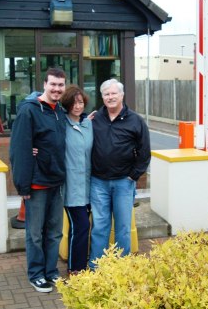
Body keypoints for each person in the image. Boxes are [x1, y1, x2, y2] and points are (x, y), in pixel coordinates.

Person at [9, 68, 67, 293]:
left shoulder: (59, 111)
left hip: (57, 183)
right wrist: (22, 185)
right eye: (53, 84)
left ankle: (51, 271)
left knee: (54, 232)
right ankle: (36, 274)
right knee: (34, 234)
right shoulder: (29, 111)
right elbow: (19, 149)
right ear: (44, 84)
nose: (56, 89)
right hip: (36, 185)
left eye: (60, 85)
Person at [88, 78, 151, 270]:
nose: (110, 97)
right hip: (98, 182)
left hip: (124, 182)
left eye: (114, 93)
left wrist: (133, 175)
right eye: (106, 94)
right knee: (99, 227)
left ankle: (121, 268)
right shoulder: (94, 119)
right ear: (102, 97)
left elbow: (144, 152)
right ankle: (96, 267)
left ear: (122, 95)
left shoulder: (136, 121)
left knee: (123, 228)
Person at [60, 85, 93, 274]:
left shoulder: (89, 124)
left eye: (80, 102)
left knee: (79, 228)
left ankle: (77, 264)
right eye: (73, 103)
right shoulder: (61, 124)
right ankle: (76, 269)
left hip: (89, 186)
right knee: (81, 226)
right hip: (71, 187)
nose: (77, 106)